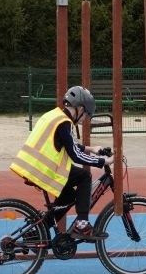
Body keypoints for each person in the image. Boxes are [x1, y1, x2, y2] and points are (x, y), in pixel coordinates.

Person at [10, 85, 113, 241]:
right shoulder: (65, 123)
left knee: (69, 195)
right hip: (45, 168)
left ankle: (38, 230)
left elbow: (68, 144)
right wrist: (103, 161)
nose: (84, 119)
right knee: (84, 176)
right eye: (86, 114)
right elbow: (75, 155)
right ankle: (82, 225)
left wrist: (91, 149)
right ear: (79, 108)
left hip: (34, 165)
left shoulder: (55, 115)